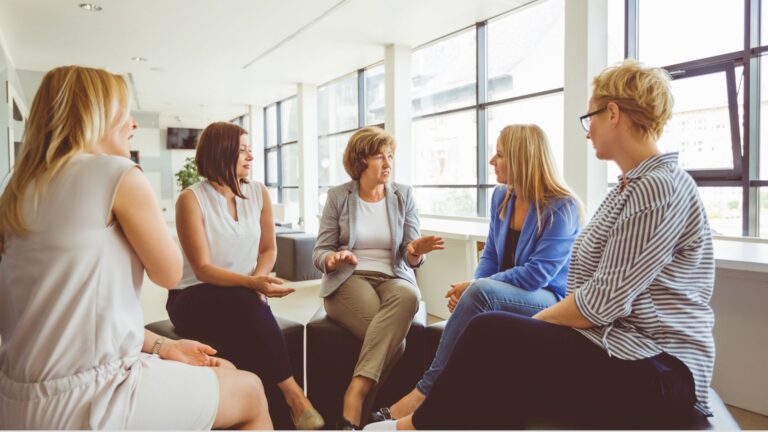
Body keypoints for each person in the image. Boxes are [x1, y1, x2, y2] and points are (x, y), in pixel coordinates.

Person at [366, 60, 716, 430]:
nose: (588, 132)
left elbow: (600, 302)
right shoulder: (627, 189)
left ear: (613, 113)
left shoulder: (658, 187)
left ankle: (410, 425)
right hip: (616, 346)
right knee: (499, 351)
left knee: (491, 332)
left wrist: (529, 327)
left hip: (658, 367)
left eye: (591, 118)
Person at [0, 66, 270, 429]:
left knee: (225, 376)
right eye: (124, 112)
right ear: (97, 115)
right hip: (91, 400)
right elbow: (171, 273)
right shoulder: (118, 174)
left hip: (17, 400)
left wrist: (163, 346)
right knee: (250, 390)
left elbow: (66, 314)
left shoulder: (16, 191)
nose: (133, 125)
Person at [374, 124, 582, 422]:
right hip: (505, 292)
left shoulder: (562, 207)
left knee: (480, 293)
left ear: (521, 159)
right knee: (478, 295)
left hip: (549, 300)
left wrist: (475, 287)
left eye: (499, 155)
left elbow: (537, 275)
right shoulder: (502, 197)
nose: (491, 161)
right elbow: (492, 256)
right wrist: (473, 286)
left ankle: (422, 395)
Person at [168, 121, 324, 430]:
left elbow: (268, 250)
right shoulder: (191, 199)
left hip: (241, 298)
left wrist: (260, 280)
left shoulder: (258, 193)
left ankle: (270, 417)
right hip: (192, 295)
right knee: (244, 303)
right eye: (243, 150)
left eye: (250, 149)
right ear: (221, 152)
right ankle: (294, 396)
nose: (250, 156)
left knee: (246, 319)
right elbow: (202, 268)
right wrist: (252, 284)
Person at [313, 126, 444, 429]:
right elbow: (320, 251)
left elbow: (409, 252)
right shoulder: (338, 197)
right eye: (378, 156)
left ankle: (353, 404)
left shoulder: (403, 195)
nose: (387, 163)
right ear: (360, 161)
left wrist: (416, 251)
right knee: (393, 342)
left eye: (390, 156)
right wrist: (332, 259)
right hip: (350, 278)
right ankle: (358, 403)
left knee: (410, 296)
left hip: (394, 276)